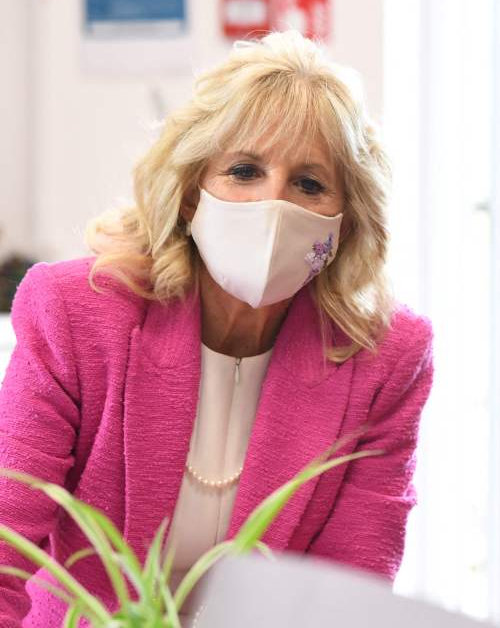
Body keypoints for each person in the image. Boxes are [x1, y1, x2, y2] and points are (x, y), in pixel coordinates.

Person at [0, 30, 433, 626]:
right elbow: (6, 540)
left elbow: (347, 593)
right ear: (189, 193)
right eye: (245, 170)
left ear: (346, 224)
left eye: (309, 183)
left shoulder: (387, 360)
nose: (272, 204)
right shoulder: (76, 314)